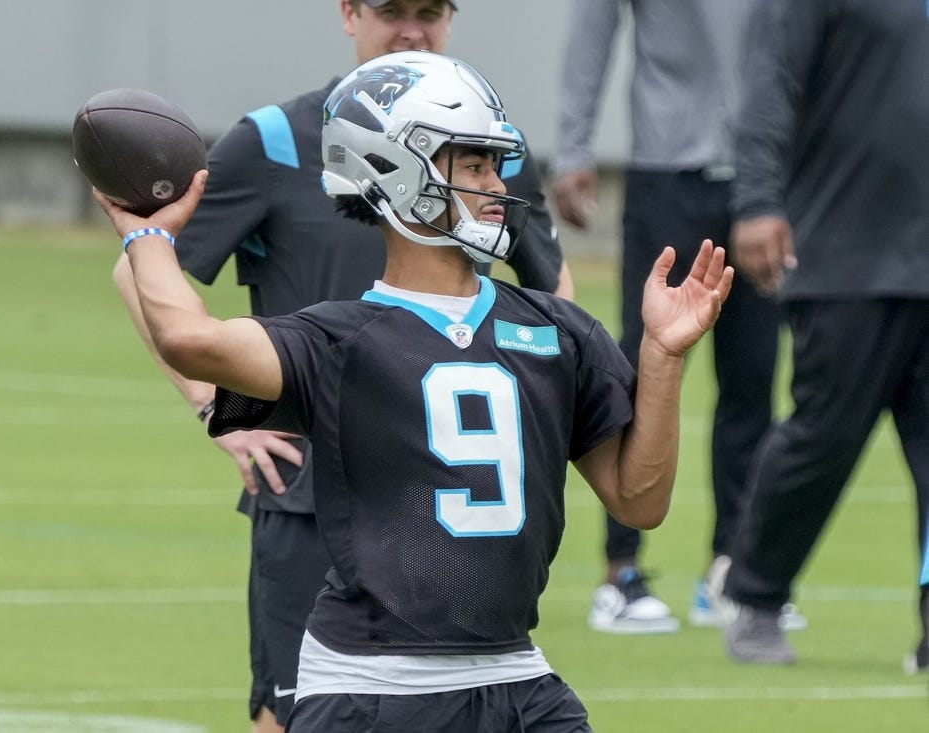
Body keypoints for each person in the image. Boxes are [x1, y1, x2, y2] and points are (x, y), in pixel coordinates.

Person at [97, 49, 732, 733]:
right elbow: (190, 339)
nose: (497, 183)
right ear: (393, 169)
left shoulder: (555, 329)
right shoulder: (336, 342)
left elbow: (639, 500)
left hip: (516, 677)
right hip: (373, 689)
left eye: (496, 162)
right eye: (474, 163)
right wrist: (149, 235)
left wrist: (663, 356)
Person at [111, 2, 574, 731]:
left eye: (431, 11)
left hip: (449, 512)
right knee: (286, 716)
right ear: (349, 13)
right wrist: (217, 409)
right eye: (392, 10)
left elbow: (554, 294)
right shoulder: (273, 140)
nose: (413, 30)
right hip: (309, 495)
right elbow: (140, 266)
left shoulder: (483, 147)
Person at [551, 0, 795, 635]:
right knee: (640, 367)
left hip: (760, 179)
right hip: (667, 176)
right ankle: (620, 571)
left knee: (753, 376)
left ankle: (730, 570)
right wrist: (573, 147)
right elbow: (592, 28)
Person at [721, 0, 929, 670]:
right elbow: (770, 86)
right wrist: (756, 201)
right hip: (847, 254)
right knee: (824, 437)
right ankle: (753, 594)